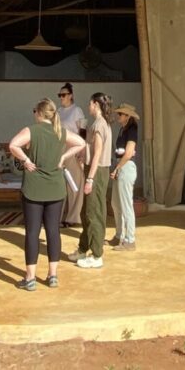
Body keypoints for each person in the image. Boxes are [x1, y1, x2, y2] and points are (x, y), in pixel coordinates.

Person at [8, 98, 86, 290]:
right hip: (56, 188)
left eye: (34, 110)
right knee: (53, 232)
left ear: (39, 113)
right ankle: (52, 276)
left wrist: (26, 160)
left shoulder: (31, 131)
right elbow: (81, 143)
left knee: (32, 233)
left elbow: (13, 145)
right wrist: (63, 157)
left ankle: (31, 278)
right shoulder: (60, 132)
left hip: (33, 188)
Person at [75, 91, 113, 269]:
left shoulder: (99, 125)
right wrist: (84, 157)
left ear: (96, 105)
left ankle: (97, 255)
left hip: (97, 172)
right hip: (94, 169)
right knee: (86, 212)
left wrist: (90, 177)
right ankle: (83, 248)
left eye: (90, 104)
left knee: (94, 213)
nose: (88, 106)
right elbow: (91, 149)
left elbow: (98, 152)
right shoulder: (97, 124)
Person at [108, 103, 139, 252]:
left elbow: (128, 153)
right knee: (116, 203)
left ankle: (130, 239)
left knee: (126, 204)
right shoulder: (123, 129)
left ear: (127, 116)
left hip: (125, 167)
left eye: (121, 114)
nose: (118, 116)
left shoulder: (132, 130)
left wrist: (117, 168)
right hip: (121, 166)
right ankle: (119, 234)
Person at [56, 83, 87, 226]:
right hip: (59, 148)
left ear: (70, 96)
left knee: (74, 183)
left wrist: (81, 150)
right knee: (60, 184)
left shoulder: (77, 110)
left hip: (73, 147)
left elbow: (83, 130)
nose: (61, 97)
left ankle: (73, 218)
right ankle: (58, 217)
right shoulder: (59, 111)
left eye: (63, 95)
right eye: (59, 95)